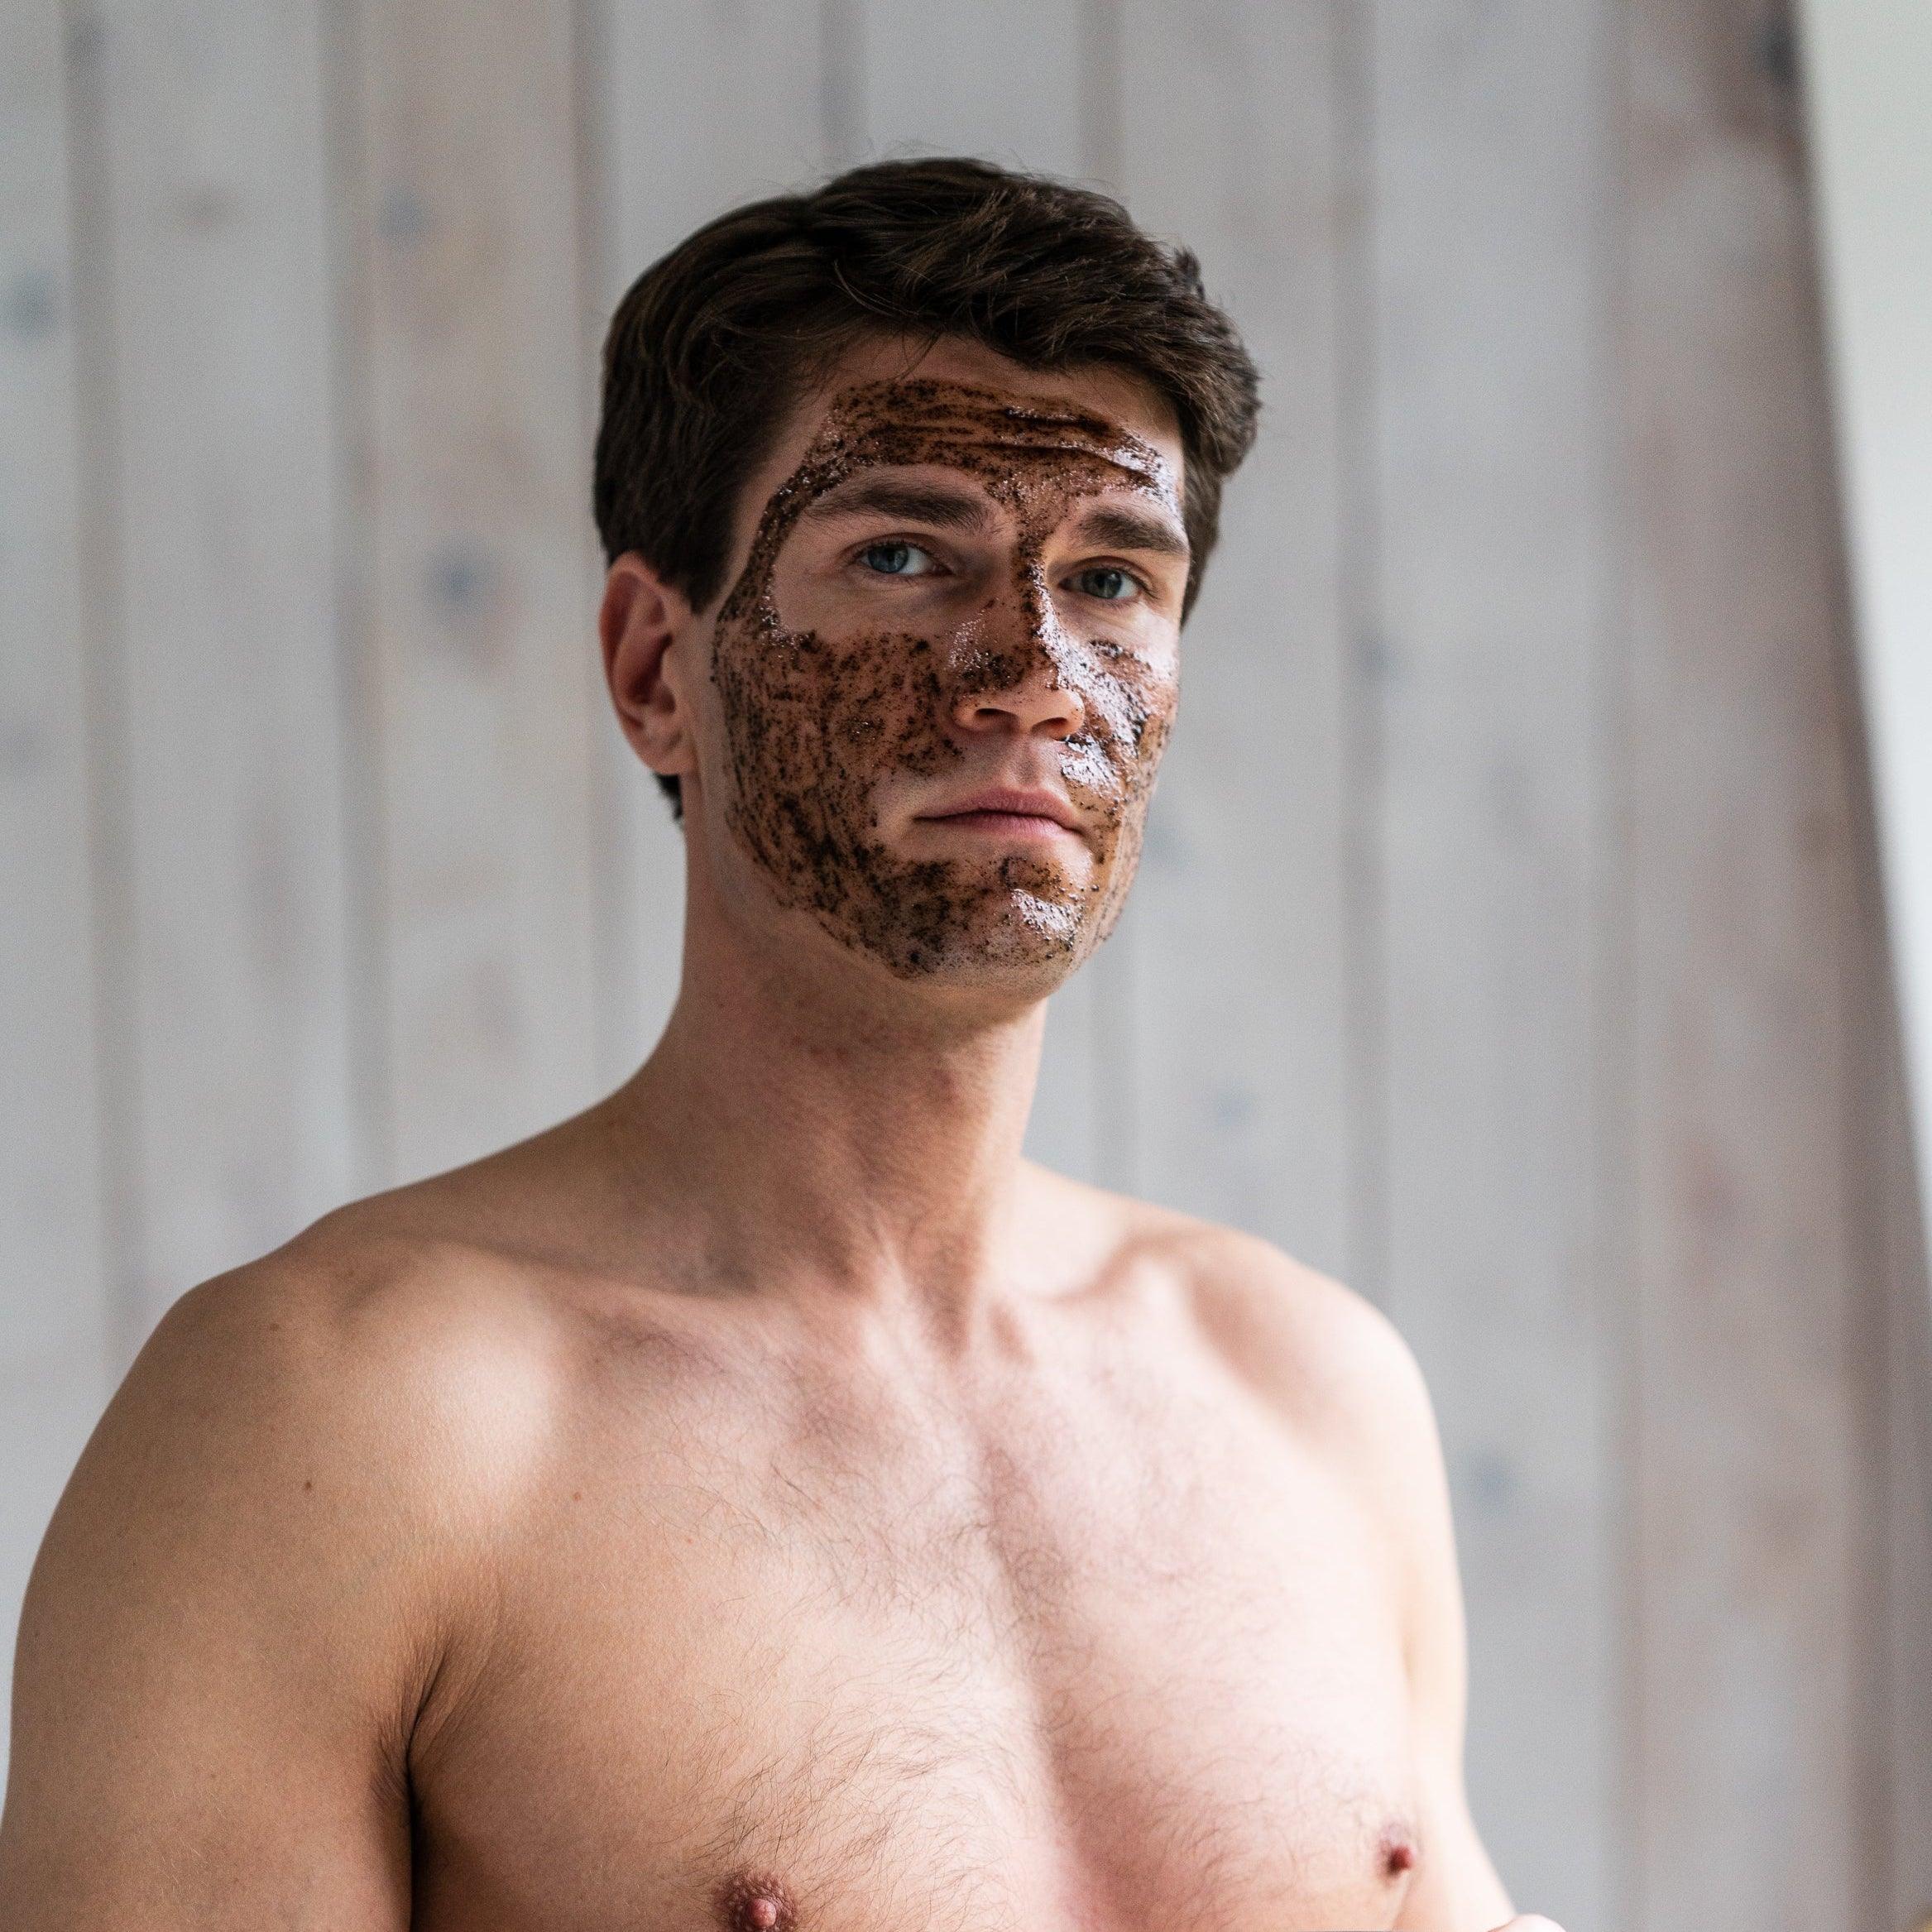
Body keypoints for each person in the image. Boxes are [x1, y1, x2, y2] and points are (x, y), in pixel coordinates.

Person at [0, 157, 1564, 1932]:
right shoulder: (342, 1422)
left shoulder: (1309, 1387)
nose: (1034, 672)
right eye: (902, 556)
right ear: (655, 666)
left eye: (1116, 576)